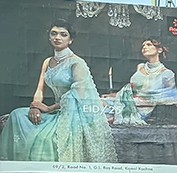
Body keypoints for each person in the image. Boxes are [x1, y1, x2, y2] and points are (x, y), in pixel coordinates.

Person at [0, 20, 117, 165]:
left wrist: (49, 108)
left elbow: (78, 95)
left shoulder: (77, 63)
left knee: (46, 137)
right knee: (17, 114)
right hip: (56, 110)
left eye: (63, 34)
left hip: (73, 112)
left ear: (70, 39)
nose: (57, 37)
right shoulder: (47, 62)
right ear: (49, 37)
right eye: (54, 34)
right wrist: (35, 106)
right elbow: (40, 89)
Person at [103, 38, 177, 128]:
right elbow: (132, 91)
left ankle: (114, 117)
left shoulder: (166, 74)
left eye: (149, 45)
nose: (144, 47)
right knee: (98, 102)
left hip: (136, 113)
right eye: (143, 46)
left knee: (102, 115)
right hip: (121, 102)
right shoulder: (140, 67)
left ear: (159, 50)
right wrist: (111, 95)